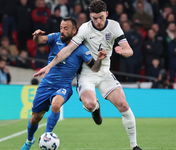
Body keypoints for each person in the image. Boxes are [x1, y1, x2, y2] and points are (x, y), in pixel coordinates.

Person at [35, 0, 143, 150]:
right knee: (91, 104)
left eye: (101, 17)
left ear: (106, 14)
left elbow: (129, 50)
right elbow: (67, 50)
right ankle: (95, 109)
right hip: (87, 73)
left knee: (124, 105)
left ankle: (134, 145)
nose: (98, 21)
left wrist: (122, 51)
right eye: (94, 18)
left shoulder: (114, 26)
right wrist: (49, 66)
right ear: (90, 16)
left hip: (104, 72)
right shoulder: (85, 29)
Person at [21, 17, 107, 150]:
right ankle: (29, 140)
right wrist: (36, 36)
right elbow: (40, 40)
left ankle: (47, 135)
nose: (62, 31)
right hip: (45, 85)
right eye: (61, 28)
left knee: (56, 105)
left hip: (63, 86)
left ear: (74, 31)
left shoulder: (82, 49)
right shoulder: (55, 38)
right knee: (35, 118)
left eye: (66, 29)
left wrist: (99, 60)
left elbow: (95, 68)